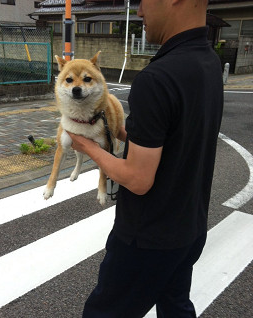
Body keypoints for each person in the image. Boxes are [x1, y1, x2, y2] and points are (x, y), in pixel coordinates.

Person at [67, 0, 223, 316]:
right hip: (189, 228)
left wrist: (89, 148)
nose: (139, 12)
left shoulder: (157, 78)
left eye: (143, 1)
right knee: (175, 306)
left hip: (147, 238)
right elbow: (178, 137)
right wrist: (123, 132)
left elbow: (138, 180)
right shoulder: (208, 62)